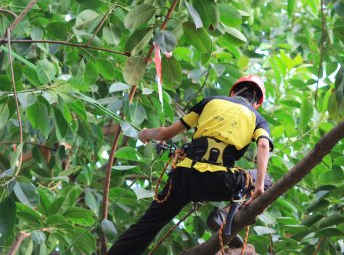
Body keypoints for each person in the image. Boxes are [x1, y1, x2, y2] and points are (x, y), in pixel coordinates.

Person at [108, 75, 273, 255]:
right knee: (266, 180)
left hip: (183, 178)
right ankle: (223, 215)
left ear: (233, 91)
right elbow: (264, 145)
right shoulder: (257, 118)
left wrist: (147, 133)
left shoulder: (210, 102)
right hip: (219, 180)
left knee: (147, 226)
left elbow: (165, 134)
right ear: (257, 103)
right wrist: (258, 187)